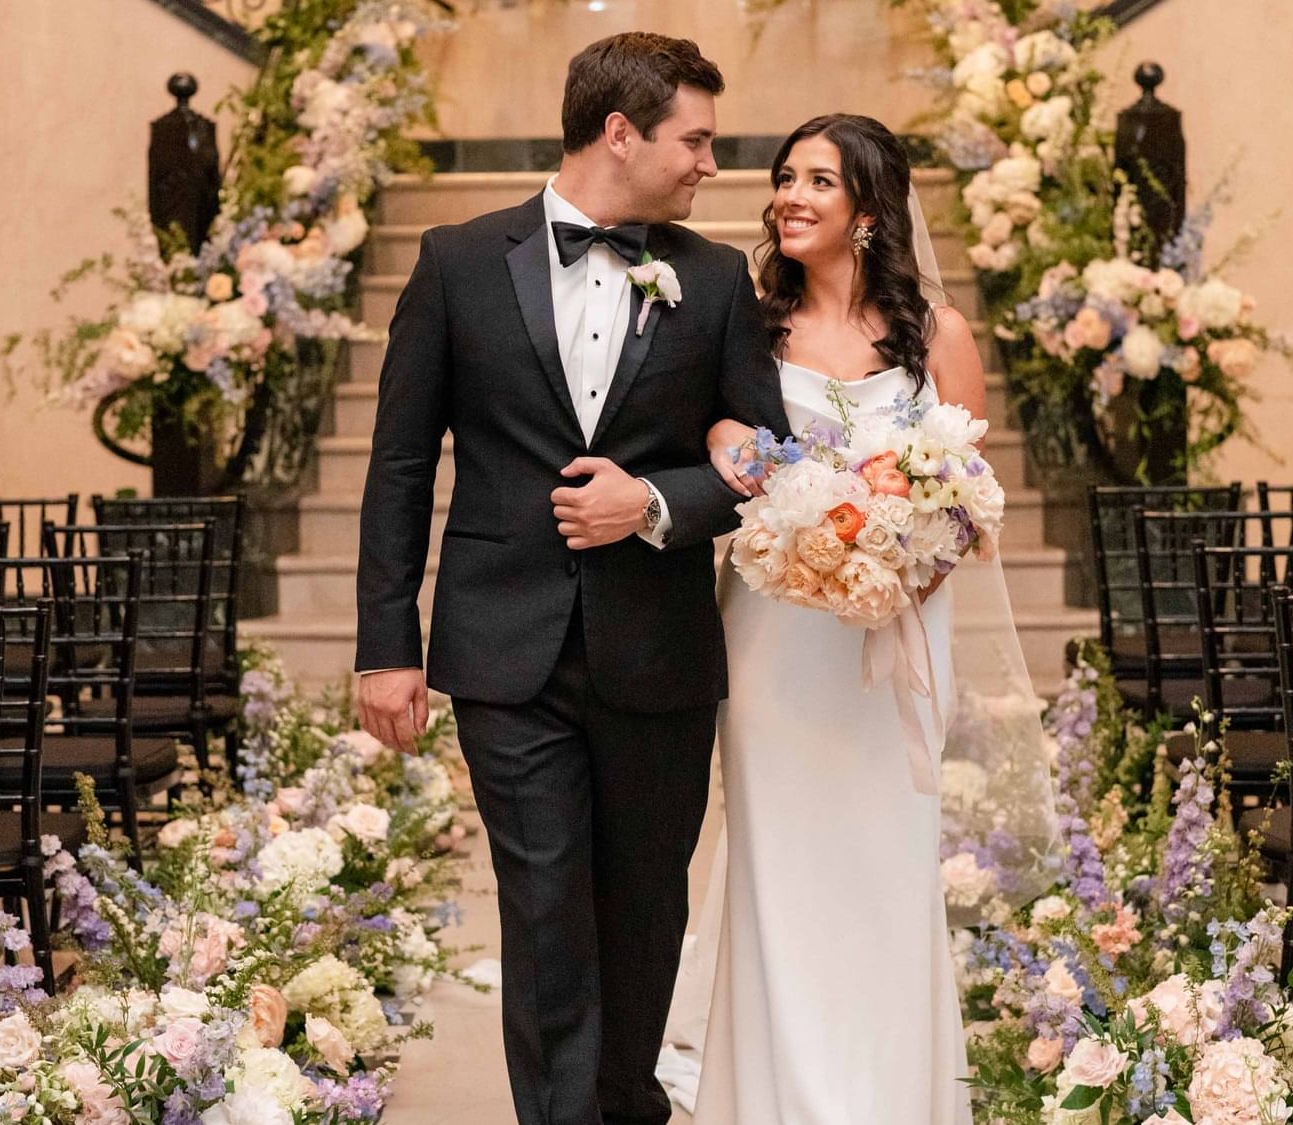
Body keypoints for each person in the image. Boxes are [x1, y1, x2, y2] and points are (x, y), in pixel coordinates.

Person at [353, 33, 791, 1125]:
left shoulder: (713, 276)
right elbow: (403, 464)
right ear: (619, 131)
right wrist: (384, 645)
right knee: (545, 910)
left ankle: (624, 1104)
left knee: (643, 909)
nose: (709, 164)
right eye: (695, 139)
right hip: (508, 649)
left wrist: (651, 504)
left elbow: (767, 462)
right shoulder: (456, 261)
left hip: (660, 651)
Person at [672, 113, 1005, 1124]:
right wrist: (809, 554)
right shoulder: (748, 328)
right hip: (773, 639)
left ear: (870, 205)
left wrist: (894, 576)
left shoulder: (938, 336)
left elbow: (973, 498)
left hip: (897, 636)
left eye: (820, 179)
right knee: (781, 861)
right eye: (785, 178)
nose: (793, 196)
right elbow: (723, 454)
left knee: (885, 859)